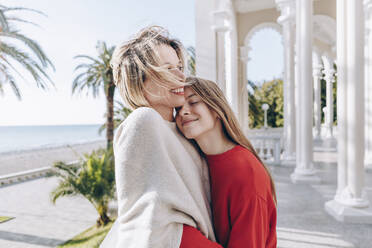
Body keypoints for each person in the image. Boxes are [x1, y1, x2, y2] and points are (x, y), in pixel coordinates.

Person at [99, 26, 221, 248]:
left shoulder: (182, 128)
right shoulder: (144, 121)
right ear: (140, 79)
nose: (181, 76)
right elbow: (150, 219)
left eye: (180, 67)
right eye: (167, 69)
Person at [175, 77, 278, 248]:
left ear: (216, 109)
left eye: (193, 102)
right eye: (177, 108)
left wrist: (178, 234)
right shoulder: (197, 162)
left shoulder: (246, 172)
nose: (183, 111)